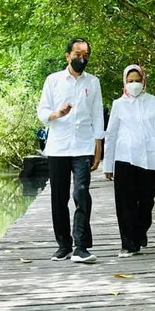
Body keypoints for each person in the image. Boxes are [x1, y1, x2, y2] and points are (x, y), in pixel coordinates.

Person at [37, 38, 104, 263]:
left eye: (85, 55)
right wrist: (57, 114)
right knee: (59, 198)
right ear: (67, 55)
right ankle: (63, 245)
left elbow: (97, 116)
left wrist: (98, 148)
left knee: (82, 194)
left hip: (83, 146)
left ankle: (81, 247)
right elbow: (43, 112)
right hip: (58, 146)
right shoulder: (53, 80)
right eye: (77, 54)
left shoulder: (92, 82)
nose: (81, 59)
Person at [104, 64, 155, 258]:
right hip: (124, 157)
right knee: (125, 201)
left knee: (147, 200)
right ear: (125, 83)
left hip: (150, 158)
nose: (134, 84)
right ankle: (128, 244)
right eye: (130, 81)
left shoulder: (154, 102)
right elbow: (110, 135)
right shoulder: (118, 104)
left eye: (137, 80)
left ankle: (140, 231)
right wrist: (108, 164)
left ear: (143, 81)